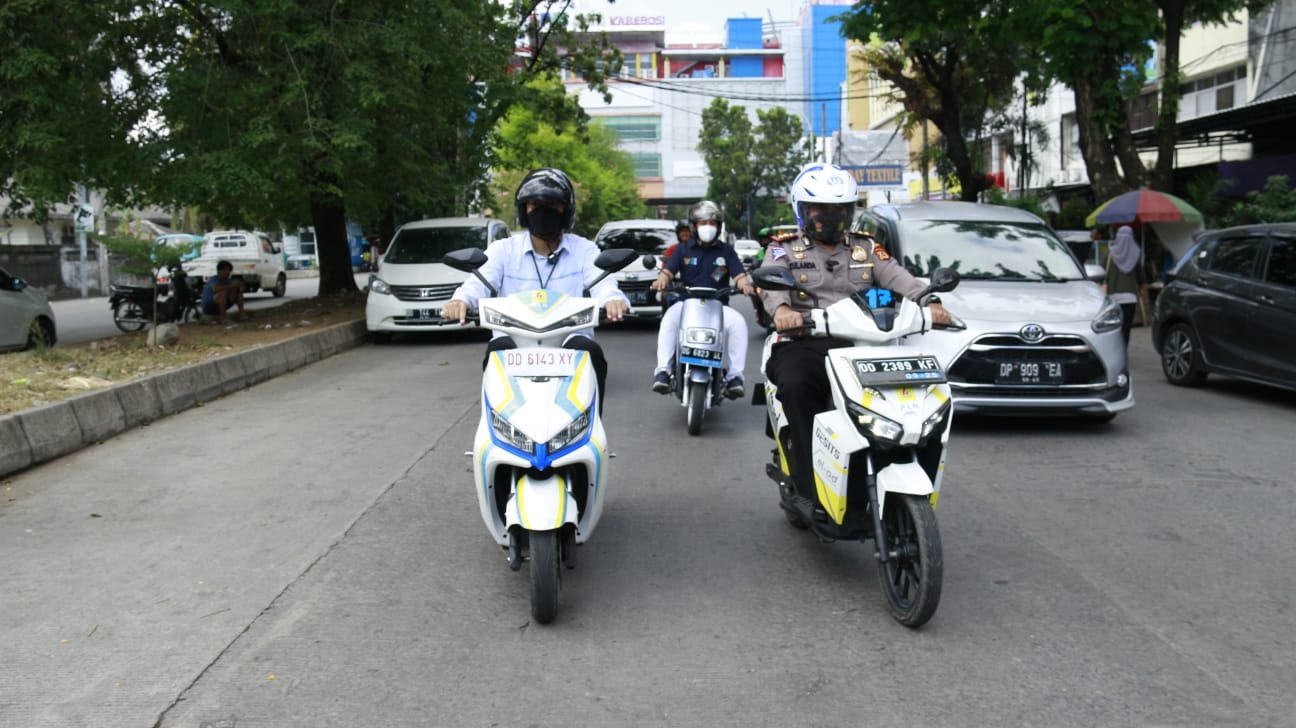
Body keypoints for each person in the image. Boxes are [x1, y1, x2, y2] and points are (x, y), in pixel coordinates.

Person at [762, 163, 951, 504]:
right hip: (809, 343)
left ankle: (910, 466)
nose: (830, 217)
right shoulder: (783, 248)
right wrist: (783, 311)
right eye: (820, 209)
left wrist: (930, 301)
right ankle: (809, 487)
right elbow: (771, 283)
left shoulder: (867, 247)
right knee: (796, 385)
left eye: (839, 210)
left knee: (924, 390)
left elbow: (898, 277)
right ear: (802, 210)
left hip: (869, 344)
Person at [443, 168, 629, 412]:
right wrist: (461, 301)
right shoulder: (503, 250)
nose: (543, 211)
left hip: (568, 343)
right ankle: (495, 428)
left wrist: (613, 300)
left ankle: (592, 429)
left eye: (552, 205)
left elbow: (603, 283)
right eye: (535, 205)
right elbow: (477, 282)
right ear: (524, 211)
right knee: (496, 350)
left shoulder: (584, 250)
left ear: (565, 212)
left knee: (590, 350)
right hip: (515, 343)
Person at [649, 200, 755, 398]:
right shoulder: (683, 249)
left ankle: (735, 377)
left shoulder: (726, 251)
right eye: (703, 223)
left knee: (739, 323)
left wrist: (745, 285)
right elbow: (668, 272)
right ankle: (663, 371)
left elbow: (740, 276)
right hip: (687, 304)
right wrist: (661, 280)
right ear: (694, 226)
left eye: (713, 223)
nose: (708, 227)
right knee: (669, 319)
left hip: (718, 306)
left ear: (719, 227)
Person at [1103, 224, 1145, 345]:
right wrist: (1142, 287)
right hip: (1130, 298)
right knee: (1125, 328)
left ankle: (1113, 350)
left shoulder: (1109, 254)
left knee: (1112, 328)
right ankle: (1123, 350)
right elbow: (1141, 276)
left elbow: (1100, 270)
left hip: (1112, 297)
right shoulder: (1136, 253)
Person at [200, 260, 250, 324]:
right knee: (223, 293)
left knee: (238, 293)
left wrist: (239, 288)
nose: (227, 272)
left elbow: (232, 293)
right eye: (225, 270)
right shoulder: (214, 279)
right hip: (209, 306)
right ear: (219, 271)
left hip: (221, 304)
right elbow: (215, 289)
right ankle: (223, 319)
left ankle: (242, 316)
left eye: (229, 270)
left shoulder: (227, 280)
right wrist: (232, 285)